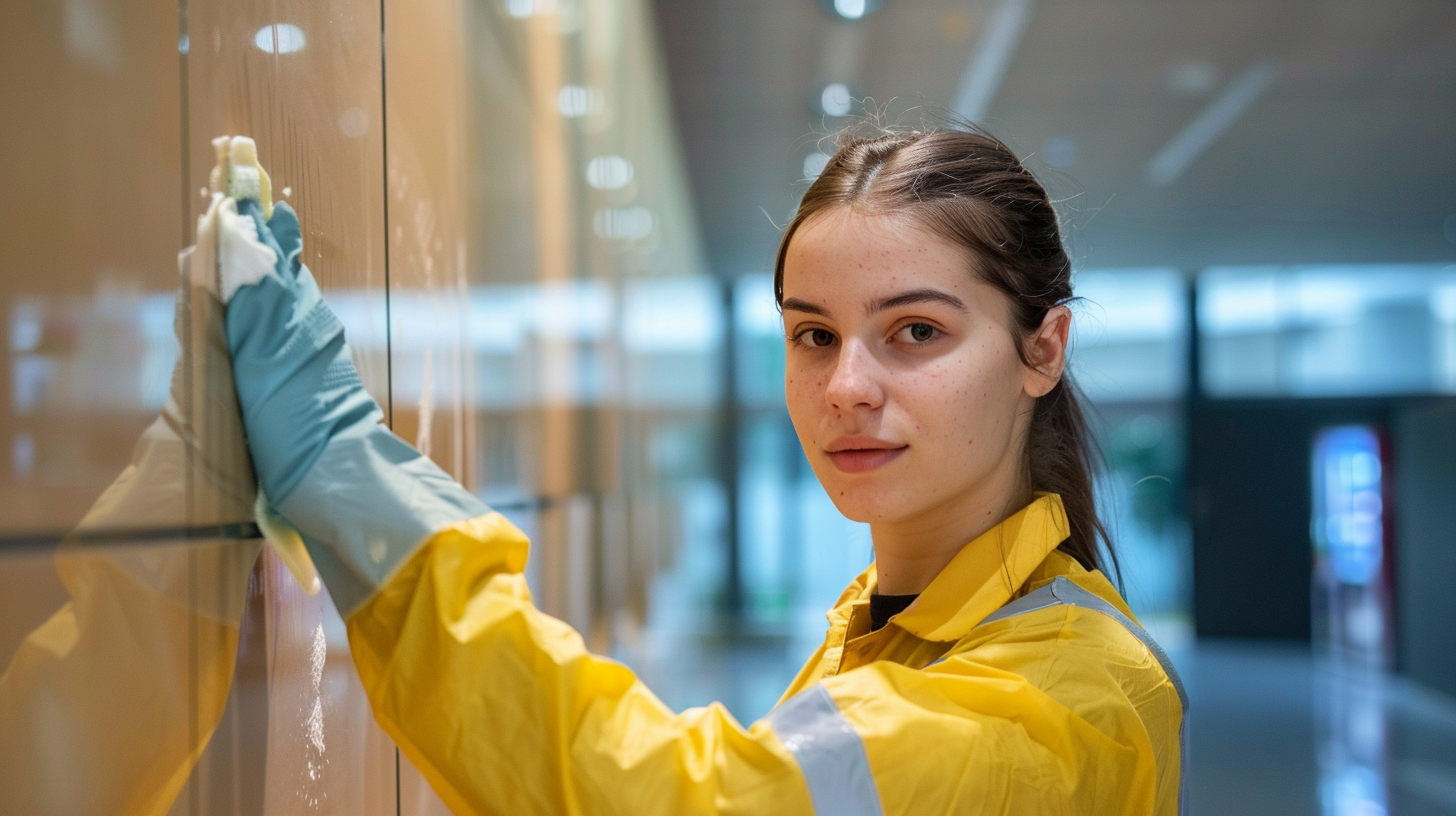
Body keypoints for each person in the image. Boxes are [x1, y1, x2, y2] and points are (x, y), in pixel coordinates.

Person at [221, 125, 1186, 815]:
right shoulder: (883, 624)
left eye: (916, 331)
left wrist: (350, 477)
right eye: (815, 333)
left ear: (1042, 350)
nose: (846, 385)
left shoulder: (1073, 698)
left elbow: (685, 799)